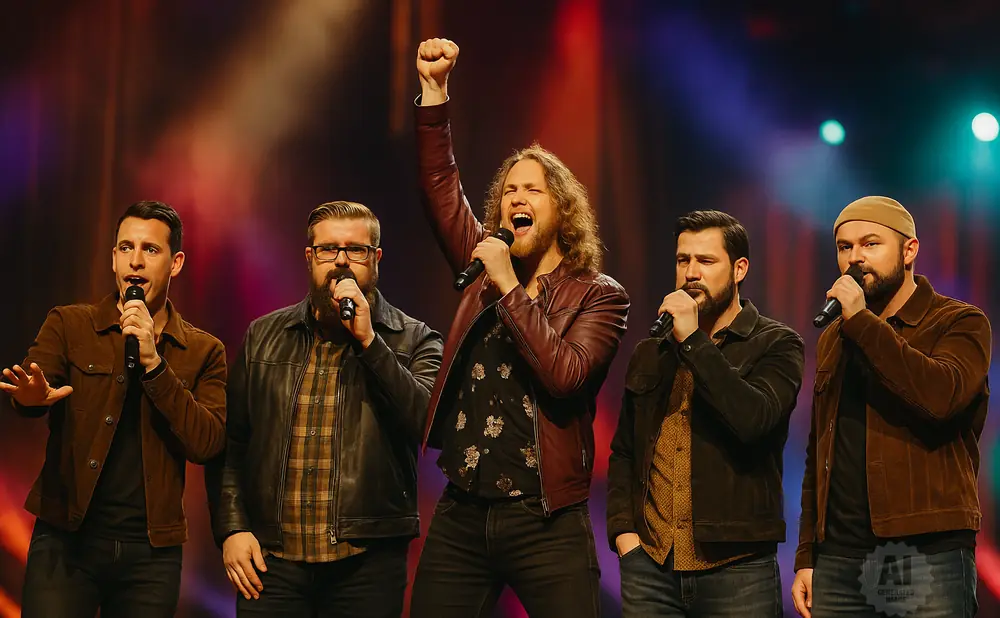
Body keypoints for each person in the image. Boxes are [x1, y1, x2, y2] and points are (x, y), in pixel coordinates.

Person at [409, 38, 630, 618]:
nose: (516, 198)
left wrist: (510, 288)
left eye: (532, 189)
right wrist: (435, 93)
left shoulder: (599, 296)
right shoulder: (483, 267)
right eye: (508, 190)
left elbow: (564, 376)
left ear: (561, 209)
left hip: (545, 517)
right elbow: (441, 189)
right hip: (462, 510)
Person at [211, 201, 443, 618]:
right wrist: (231, 528)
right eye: (328, 249)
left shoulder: (415, 340)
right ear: (309, 257)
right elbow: (232, 444)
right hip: (271, 564)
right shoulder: (263, 337)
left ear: (376, 260)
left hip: (367, 564)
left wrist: (371, 343)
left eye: (355, 250)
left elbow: (429, 423)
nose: (340, 261)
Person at [1, 200, 227, 618]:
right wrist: (29, 399)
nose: (135, 261)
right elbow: (35, 388)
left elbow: (207, 442)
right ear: (112, 258)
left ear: (176, 263)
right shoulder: (69, 324)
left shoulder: (204, 351)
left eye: (150, 250)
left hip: (152, 555)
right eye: (125, 248)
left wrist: (155, 365)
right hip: (67, 541)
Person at [791, 196, 989, 618]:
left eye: (870, 244)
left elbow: (941, 398)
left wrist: (862, 323)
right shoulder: (835, 336)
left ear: (909, 250)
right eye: (845, 247)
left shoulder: (960, 322)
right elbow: (819, 449)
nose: (855, 259)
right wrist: (807, 554)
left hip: (926, 554)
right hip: (839, 559)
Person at [607, 210, 803, 617]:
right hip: (651, 566)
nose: (691, 272)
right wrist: (624, 536)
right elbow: (625, 451)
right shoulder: (652, 350)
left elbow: (754, 421)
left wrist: (694, 340)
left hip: (738, 568)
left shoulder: (777, 344)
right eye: (683, 260)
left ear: (739, 269)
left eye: (706, 261)